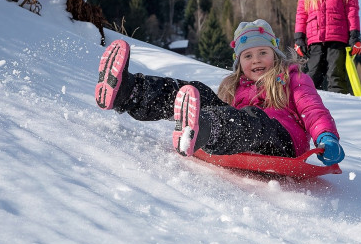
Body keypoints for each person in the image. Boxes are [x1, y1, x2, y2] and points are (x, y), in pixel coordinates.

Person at [94, 19, 345, 166]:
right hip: (242, 131)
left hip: (283, 140)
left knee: (252, 120)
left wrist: (325, 136)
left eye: (263, 53)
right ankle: (129, 91)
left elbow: (312, 108)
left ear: (275, 54)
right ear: (239, 61)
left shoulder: (291, 77)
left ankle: (202, 128)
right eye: (248, 56)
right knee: (197, 91)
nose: (256, 60)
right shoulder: (235, 86)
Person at [294, 0, 361, 94]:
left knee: (335, 75)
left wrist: (354, 35)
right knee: (313, 74)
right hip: (314, 38)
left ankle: (339, 106)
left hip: (338, 37)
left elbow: (352, 8)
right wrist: (299, 38)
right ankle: (309, 104)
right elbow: (301, 13)